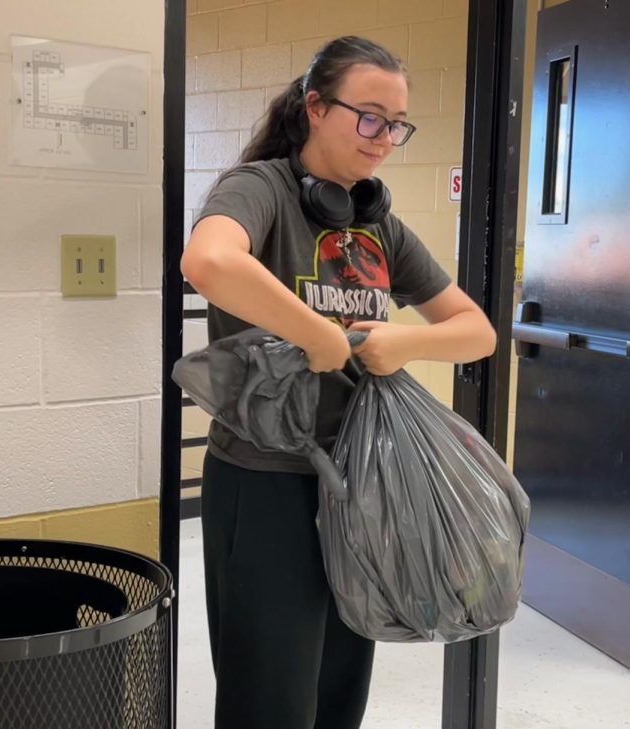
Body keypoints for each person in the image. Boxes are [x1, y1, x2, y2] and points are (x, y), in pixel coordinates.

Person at [181, 36, 497, 729]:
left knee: (339, 690)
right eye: (369, 116)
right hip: (266, 481)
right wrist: (316, 331)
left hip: (357, 483)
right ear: (315, 107)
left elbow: (477, 331)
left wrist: (406, 341)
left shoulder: (375, 219)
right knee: (269, 698)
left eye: (397, 123)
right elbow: (207, 261)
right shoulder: (259, 188)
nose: (385, 138)